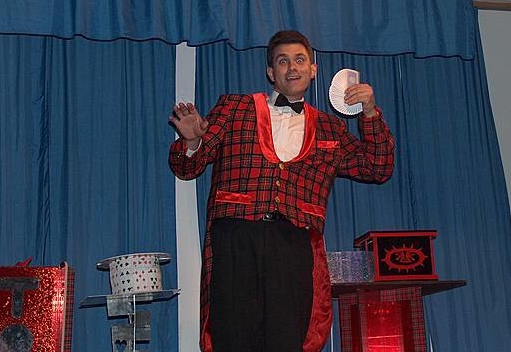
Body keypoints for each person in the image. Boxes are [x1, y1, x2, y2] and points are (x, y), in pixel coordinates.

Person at [168, 30, 394, 352]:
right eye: (282, 61)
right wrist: (191, 141)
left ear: (313, 69)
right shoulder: (234, 108)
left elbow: (378, 168)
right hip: (236, 238)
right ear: (271, 72)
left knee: (287, 338)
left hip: (294, 243)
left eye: (300, 60)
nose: (292, 67)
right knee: (232, 337)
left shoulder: (331, 127)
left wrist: (370, 112)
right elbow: (187, 168)